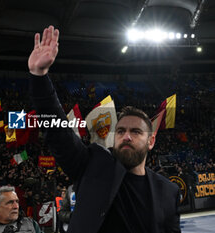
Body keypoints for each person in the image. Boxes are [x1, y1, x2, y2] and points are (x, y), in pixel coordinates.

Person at [28, 25, 181, 233]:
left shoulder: (168, 191)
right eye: (120, 131)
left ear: (151, 141)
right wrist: (39, 76)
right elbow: (57, 131)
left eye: (136, 132)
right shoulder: (92, 164)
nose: (126, 136)